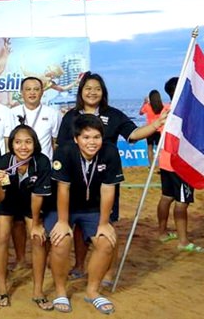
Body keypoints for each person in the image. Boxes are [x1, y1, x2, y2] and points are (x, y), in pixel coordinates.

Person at [57, 72, 166, 280]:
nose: (92, 92)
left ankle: (108, 272)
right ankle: (79, 265)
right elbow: (62, 147)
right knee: (79, 226)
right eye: (88, 88)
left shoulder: (114, 114)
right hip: (78, 183)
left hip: (105, 182)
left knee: (106, 226)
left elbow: (133, 135)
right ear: (81, 91)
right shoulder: (70, 116)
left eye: (97, 88)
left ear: (103, 92)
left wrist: (155, 124)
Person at [46, 114, 123, 314]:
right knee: (60, 240)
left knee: (106, 242)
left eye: (96, 137)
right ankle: (61, 291)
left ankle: (92, 291)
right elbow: (63, 189)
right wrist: (62, 221)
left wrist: (104, 223)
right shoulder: (64, 151)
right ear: (76, 138)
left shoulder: (110, 152)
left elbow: (108, 190)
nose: (92, 142)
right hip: (63, 207)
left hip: (93, 209)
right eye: (86, 137)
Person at [0, 124, 52, 309]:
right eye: (17, 142)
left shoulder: (41, 162)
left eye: (28, 142)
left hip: (32, 204)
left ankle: (38, 291)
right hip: (6, 203)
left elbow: (37, 196)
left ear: (35, 144)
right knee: (1, 236)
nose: (23, 147)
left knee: (38, 238)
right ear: (11, 144)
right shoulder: (2, 162)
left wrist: (36, 224)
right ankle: (2, 289)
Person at [9, 76, 61, 268]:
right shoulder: (11, 113)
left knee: (40, 218)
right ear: (22, 93)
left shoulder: (53, 114)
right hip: (19, 173)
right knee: (17, 221)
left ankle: (42, 259)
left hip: (43, 174)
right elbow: (9, 142)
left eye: (36, 89)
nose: (32, 92)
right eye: (28, 89)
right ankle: (21, 258)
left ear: (42, 92)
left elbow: (55, 144)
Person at [156, 77, 202, 252]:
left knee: (167, 196)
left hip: (166, 161)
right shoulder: (183, 111)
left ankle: (162, 233)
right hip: (180, 162)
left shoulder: (166, 110)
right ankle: (183, 241)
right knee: (182, 202)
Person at [139, 89, 168, 166]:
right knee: (160, 149)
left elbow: (140, 113)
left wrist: (144, 103)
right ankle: (161, 164)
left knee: (150, 148)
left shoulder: (147, 106)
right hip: (159, 129)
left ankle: (152, 165)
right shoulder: (163, 106)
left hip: (150, 129)